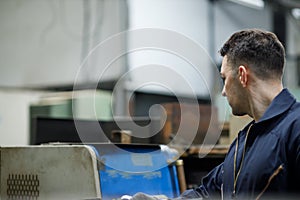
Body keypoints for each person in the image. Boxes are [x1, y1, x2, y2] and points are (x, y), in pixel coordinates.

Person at [177, 29, 300, 199]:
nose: (223, 92)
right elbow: (207, 193)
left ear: (242, 75)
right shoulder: (244, 142)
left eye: (224, 79)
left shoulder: (295, 130)